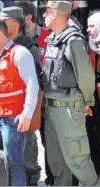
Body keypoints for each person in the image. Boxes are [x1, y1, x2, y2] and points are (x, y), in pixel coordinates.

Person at [39, 1, 99, 186]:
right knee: (57, 164)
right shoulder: (53, 39)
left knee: (78, 161)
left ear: (56, 13)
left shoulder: (73, 40)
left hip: (68, 111)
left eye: (46, 12)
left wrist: (87, 102)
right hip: (51, 110)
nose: (43, 16)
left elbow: (85, 75)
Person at [0, 17, 39, 186]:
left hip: (13, 120)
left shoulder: (20, 53)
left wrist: (27, 115)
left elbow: (32, 84)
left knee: (14, 165)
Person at [0, 6, 42, 186]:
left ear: (16, 25)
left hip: (22, 115)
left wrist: (30, 114)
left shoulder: (28, 48)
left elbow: (35, 84)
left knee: (26, 161)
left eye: (4, 21)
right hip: (4, 115)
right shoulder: (0, 46)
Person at [14, 1, 55, 185]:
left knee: (50, 143)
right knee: (27, 144)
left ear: (27, 17)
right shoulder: (13, 41)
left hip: (46, 99)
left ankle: (52, 178)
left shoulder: (48, 35)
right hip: (26, 101)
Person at [86, 12, 100, 177]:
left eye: (92, 25)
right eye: (88, 25)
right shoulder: (87, 46)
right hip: (93, 98)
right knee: (93, 135)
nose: (88, 29)